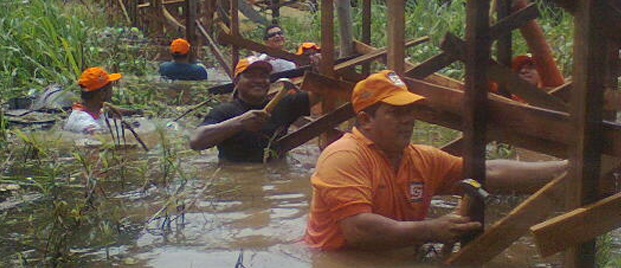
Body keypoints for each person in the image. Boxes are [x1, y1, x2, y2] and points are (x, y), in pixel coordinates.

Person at [304, 70, 567, 251]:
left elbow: (487, 172)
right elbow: (358, 230)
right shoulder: (344, 157)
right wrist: (431, 230)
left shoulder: (422, 159)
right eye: (395, 112)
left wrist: (565, 170)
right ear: (365, 120)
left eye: (410, 110)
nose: (408, 120)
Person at [190, 55, 313, 162]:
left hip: (276, 175)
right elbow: (196, 141)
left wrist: (319, 69)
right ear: (236, 81)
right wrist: (240, 123)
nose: (258, 81)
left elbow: (320, 94)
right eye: (250, 76)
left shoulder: (284, 105)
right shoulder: (224, 111)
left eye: (263, 76)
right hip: (236, 176)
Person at [64, 67, 122, 135]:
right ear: (102, 94)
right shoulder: (84, 121)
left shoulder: (96, 111)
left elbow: (110, 111)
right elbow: (100, 139)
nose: (112, 93)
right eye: (111, 89)